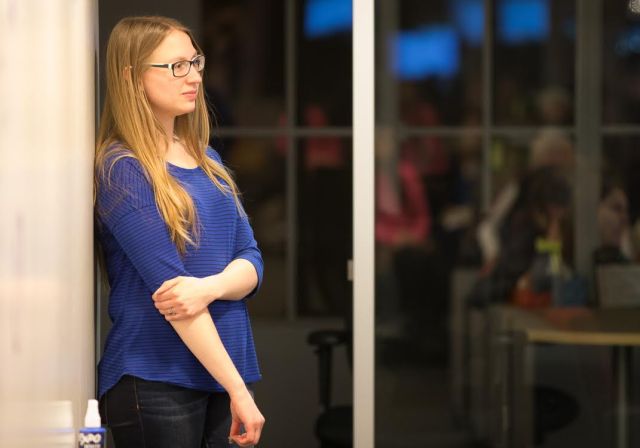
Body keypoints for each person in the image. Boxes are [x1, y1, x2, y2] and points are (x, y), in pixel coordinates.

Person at [94, 16, 265, 447]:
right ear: (132, 77)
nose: (194, 77)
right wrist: (238, 390)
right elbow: (174, 296)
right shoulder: (122, 169)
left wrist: (208, 288)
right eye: (176, 66)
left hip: (222, 373)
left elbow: (252, 259)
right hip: (155, 378)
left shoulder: (207, 159)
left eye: (195, 62)